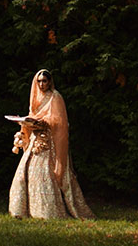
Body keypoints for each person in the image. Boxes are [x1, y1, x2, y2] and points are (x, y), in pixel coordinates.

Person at [8, 69, 94, 219]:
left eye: (44, 81)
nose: (41, 84)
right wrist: (26, 121)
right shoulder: (36, 97)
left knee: (44, 176)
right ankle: (21, 210)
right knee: (24, 174)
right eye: (39, 81)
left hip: (48, 143)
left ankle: (47, 212)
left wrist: (43, 123)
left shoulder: (55, 97)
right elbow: (33, 115)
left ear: (50, 82)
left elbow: (60, 122)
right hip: (35, 141)